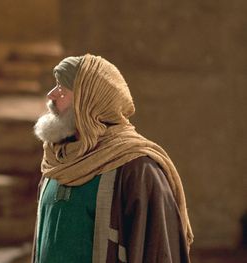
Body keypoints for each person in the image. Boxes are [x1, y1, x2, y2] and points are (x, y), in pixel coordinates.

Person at [32, 54, 193, 262]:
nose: (51, 95)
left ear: (88, 100)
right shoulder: (57, 160)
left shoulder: (137, 169)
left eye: (62, 89)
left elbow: (158, 252)